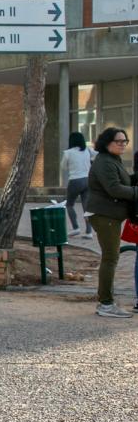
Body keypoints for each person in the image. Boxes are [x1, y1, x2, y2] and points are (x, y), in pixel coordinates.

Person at [85, 127, 136, 318]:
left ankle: (106, 301)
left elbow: (123, 182)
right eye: (119, 141)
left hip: (109, 215)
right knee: (110, 258)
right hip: (104, 215)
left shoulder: (112, 160)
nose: (123, 144)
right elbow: (114, 189)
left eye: (125, 141)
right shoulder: (105, 162)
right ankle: (105, 304)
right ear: (107, 143)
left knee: (111, 257)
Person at [61, 131, 94, 237]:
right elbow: (97, 154)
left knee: (69, 204)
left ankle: (76, 228)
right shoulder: (88, 151)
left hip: (75, 180)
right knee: (86, 206)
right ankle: (89, 231)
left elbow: (63, 167)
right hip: (87, 180)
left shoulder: (68, 153)